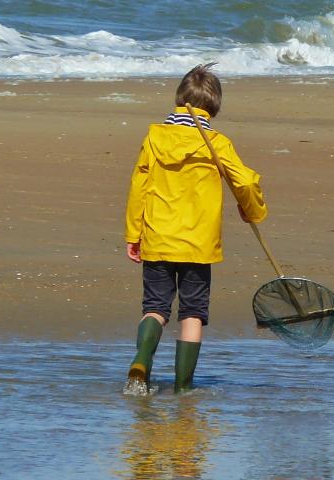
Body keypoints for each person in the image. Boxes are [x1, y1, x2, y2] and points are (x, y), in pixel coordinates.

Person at [124, 63, 267, 393]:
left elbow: (138, 186)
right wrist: (252, 210)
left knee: (155, 308)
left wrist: (134, 233)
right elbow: (243, 181)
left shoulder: (155, 137)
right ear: (213, 106)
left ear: (179, 100)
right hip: (198, 244)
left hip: (158, 237)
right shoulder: (217, 142)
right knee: (192, 313)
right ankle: (182, 386)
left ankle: (141, 359)